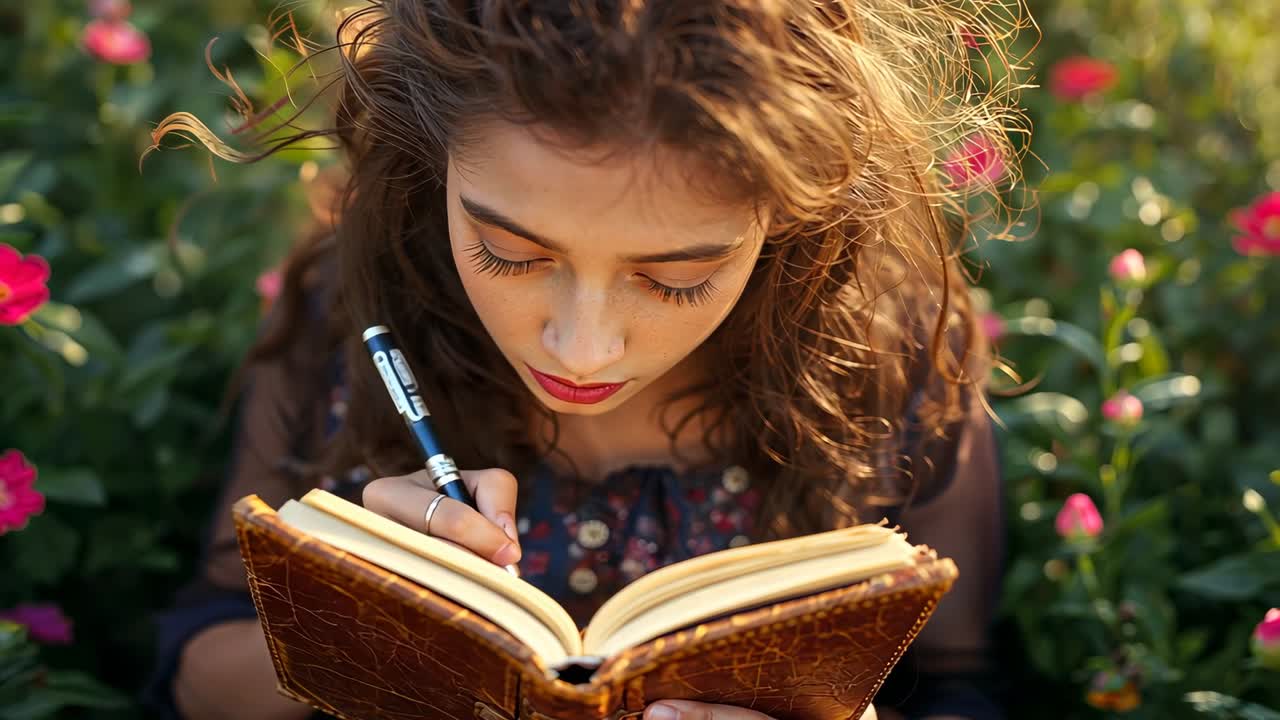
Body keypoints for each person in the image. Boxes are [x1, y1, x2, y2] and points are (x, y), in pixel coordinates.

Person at [143, 1, 1027, 718]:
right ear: (432, 163)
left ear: (794, 212)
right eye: (510, 254)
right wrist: (354, 625)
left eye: (676, 278)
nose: (581, 346)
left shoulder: (886, 357)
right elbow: (198, 663)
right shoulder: (350, 317)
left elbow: (957, 685)